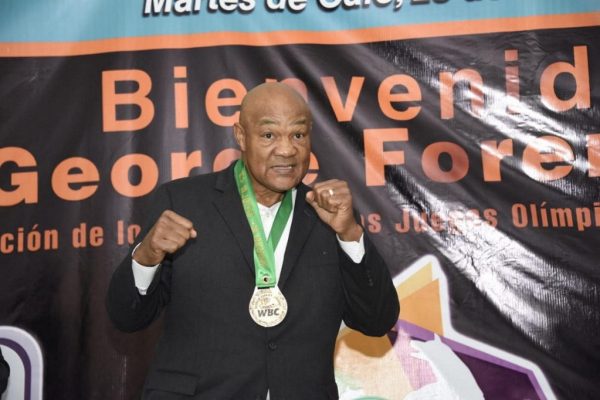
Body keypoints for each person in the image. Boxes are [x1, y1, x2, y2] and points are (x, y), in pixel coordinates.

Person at [106, 82, 399, 400]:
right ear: (241, 136)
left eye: (298, 135)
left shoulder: (329, 214)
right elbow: (127, 317)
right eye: (269, 135)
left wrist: (350, 235)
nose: (287, 150)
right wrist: (147, 255)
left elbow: (377, 321)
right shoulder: (182, 202)